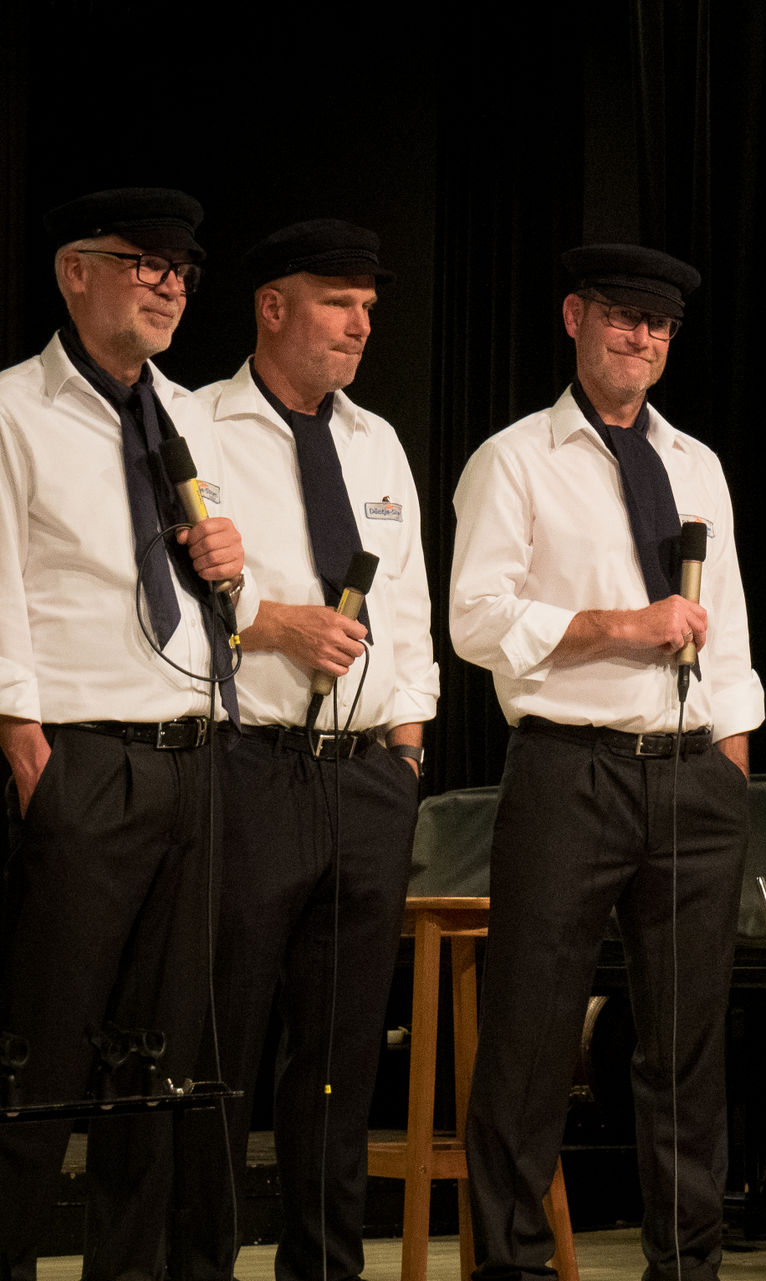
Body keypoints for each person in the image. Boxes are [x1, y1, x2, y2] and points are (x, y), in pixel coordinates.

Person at [450, 243, 763, 1281]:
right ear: (575, 316)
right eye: (624, 317)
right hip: (570, 770)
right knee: (533, 1037)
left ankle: (688, 1266)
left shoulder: (695, 461)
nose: (643, 338)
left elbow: (730, 628)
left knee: (685, 1044)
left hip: (691, 775)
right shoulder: (515, 459)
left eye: (660, 325)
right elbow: (475, 619)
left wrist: (728, 758)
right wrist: (618, 626)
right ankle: (513, 1266)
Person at [170, 219, 438, 1281]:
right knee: (224, 1041)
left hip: (367, 779)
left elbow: (407, 608)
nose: (361, 325)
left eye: (369, 307)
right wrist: (269, 623)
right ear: (272, 307)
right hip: (252, 764)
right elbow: (165, 594)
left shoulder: (378, 442)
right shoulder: (197, 422)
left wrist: (407, 751)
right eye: (338, 302)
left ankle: (325, 1268)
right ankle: (198, 1261)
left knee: (339, 1055)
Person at [0, 187, 246, 1279]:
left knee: (160, 1066)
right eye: (145, 263)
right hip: (82, 758)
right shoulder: (15, 409)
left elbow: (216, 595)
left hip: (193, 759)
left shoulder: (187, 415)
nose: (170, 285)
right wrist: (26, 746)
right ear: (75, 271)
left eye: (181, 270)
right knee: (44, 1052)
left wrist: (235, 568)